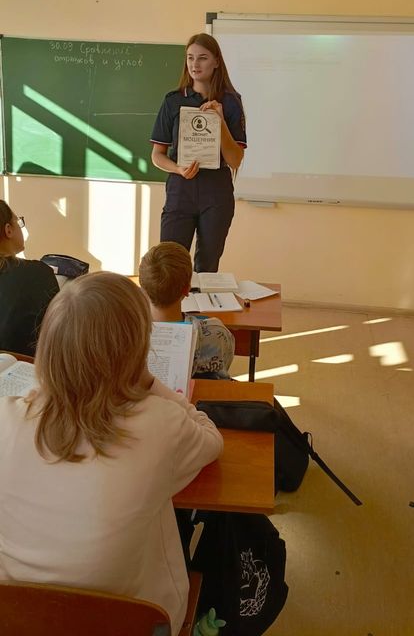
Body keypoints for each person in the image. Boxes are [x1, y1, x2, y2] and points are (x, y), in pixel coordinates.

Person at [0, 272, 223, 636]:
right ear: (137, 351)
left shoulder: (6, 419)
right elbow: (212, 440)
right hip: (136, 621)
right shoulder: (159, 422)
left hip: (19, 620)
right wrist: (150, 382)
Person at [150, 33, 247, 272]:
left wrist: (219, 121)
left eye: (202, 58)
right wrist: (178, 169)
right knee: (170, 264)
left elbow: (235, 160)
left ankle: (203, 300)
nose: (195, 64)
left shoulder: (231, 102)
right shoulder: (173, 101)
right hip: (180, 188)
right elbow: (157, 155)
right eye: (190, 58)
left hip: (216, 191)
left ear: (216, 62)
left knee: (207, 266)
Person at [139, 241, 235, 380]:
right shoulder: (217, 333)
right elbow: (224, 365)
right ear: (187, 288)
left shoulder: (128, 334)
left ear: (142, 290)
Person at [0, 200, 59, 356]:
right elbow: (59, 332)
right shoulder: (38, 273)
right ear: (8, 230)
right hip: (27, 365)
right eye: (19, 222)